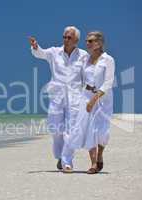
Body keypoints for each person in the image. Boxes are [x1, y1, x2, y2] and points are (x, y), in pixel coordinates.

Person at [29, 26, 88, 172]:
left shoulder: (83, 56)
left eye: (69, 38)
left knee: (71, 130)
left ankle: (67, 161)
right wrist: (36, 47)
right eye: (64, 37)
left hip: (75, 97)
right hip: (57, 96)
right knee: (55, 129)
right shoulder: (54, 52)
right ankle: (60, 157)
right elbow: (40, 53)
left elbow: (88, 76)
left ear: (76, 40)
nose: (66, 40)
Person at [67, 31, 115, 174]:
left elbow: (108, 82)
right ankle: (94, 163)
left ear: (99, 43)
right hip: (86, 96)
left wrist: (94, 99)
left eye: (90, 41)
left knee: (102, 132)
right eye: (87, 41)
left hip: (103, 99)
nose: (87, 43)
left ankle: (100, 155)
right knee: (89, 130)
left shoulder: (108, 60)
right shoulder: (85, 59)